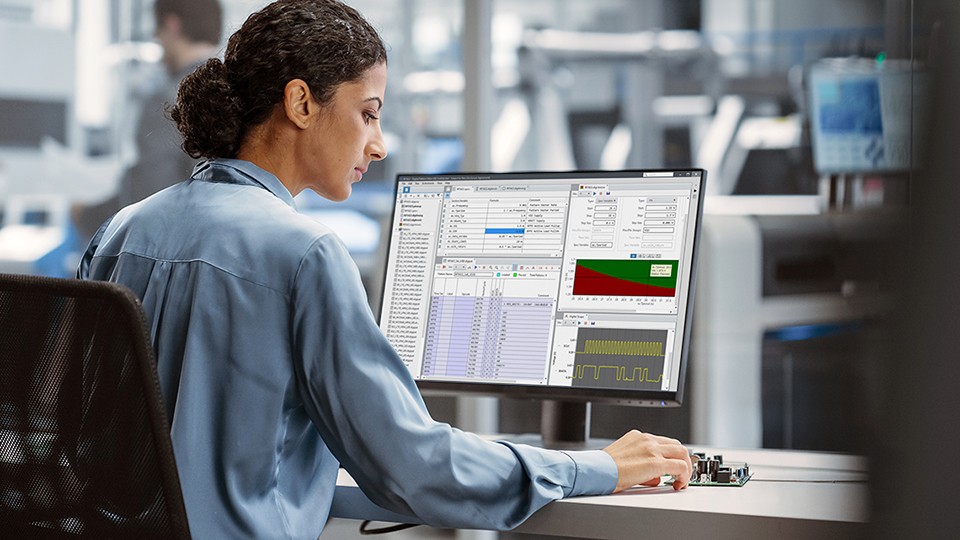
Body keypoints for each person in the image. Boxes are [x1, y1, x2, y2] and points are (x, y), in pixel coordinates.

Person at [78, 1, 693, 538]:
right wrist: (596, 467)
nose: (379, 144)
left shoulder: (121, 232)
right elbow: (413, 466)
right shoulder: (306, 255)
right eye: (368, 113)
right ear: (300, 103)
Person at [72, 0, 222, 239]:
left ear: (172, 25)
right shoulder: (240, 94)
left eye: (157, 30)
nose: (155, 38)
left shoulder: (169, 101)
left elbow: (147, 203)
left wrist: (86, 215)